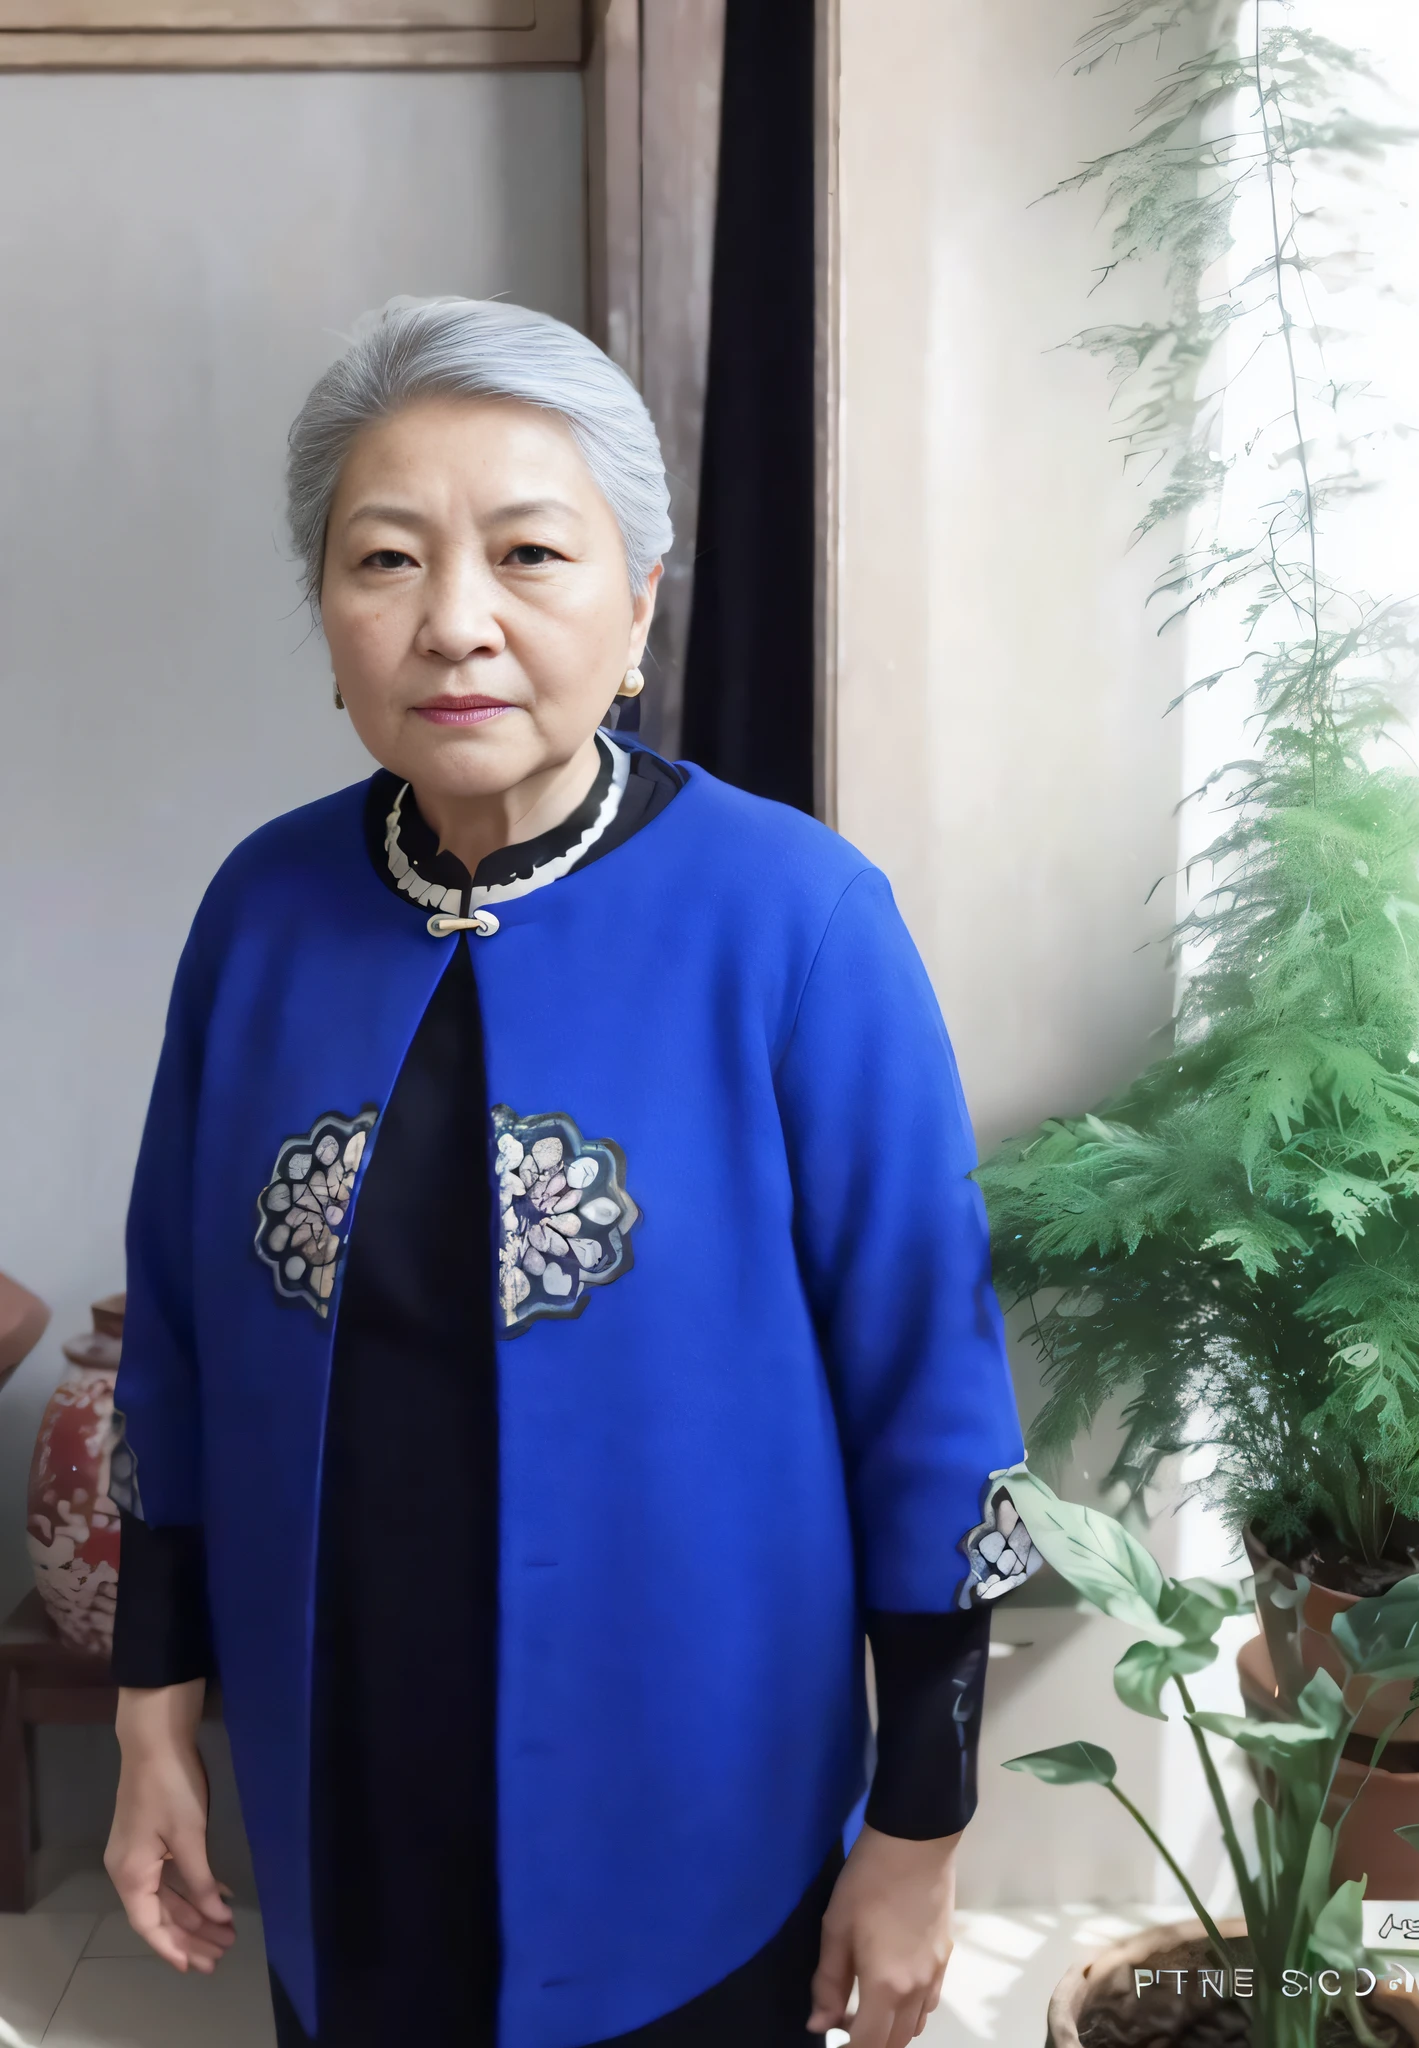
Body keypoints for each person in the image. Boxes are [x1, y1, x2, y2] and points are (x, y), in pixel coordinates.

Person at [103, 296, 1025, 2048]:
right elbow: (180, 1358)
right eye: (386, 560)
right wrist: (156, 1720)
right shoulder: (261, 914)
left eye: (529, 553)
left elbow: (933, 1408)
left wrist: (919, 1829)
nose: (455, 622)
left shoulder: (796, 921)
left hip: (696, 1804)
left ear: (638, 604)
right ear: (327, 614)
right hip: (342, 1783)